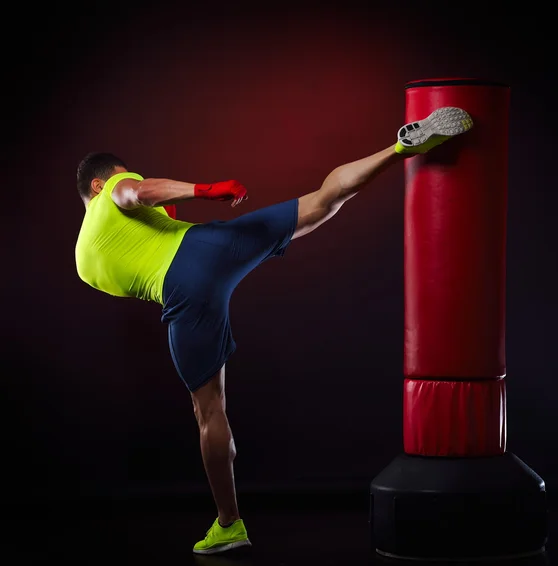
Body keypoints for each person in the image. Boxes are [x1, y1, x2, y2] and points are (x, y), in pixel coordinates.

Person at [74, 106, 473, 555]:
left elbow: (141, 257)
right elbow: (134, 193)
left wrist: (168, 229)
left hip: (181, 298)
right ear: (97, 183)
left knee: (210, 413)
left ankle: (229, 524)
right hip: (207, 247)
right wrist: (203, 189)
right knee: (322, 200)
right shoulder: (112, 185)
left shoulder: (85, 264)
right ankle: (400, 148)